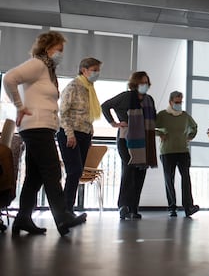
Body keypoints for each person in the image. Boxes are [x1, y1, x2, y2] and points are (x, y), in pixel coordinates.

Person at [3, 31, 87, 236]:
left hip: (42, 127)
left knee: (35, 177)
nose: (61, 54)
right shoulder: (38, 64)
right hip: (36, 126)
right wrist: (19, 106)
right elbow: (9, 78)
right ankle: (62, 216)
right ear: (47, 48)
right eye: (59, 49)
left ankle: (23, 219)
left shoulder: (47, 71)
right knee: (52, 171)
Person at [101, 71, 157, 220]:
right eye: (142, 82)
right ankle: (123, 206)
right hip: (125, 140)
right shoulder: (126, 97)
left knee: (140, 173)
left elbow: (153, 120)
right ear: (135, 84)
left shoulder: (149, 100)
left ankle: (134, 208)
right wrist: (114, 123)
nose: (145, 85)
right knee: (129, 170)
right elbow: (105, 106)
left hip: (144, 142)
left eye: (146, 82)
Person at [57, 57, 102, 215]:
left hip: (84, 134)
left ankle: (68, 208)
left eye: (98, 70)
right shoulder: (73, 86)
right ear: (84, 70)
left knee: (77, 171)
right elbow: (63, 112)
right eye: (94, 70)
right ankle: (65, 209)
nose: (97, 73)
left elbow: (87, 115)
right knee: (74, 171)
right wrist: (70, 134)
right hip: (70, 133)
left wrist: (90, 134)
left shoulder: (89, 88)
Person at [155, 91, 199, 217]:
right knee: (169, 179)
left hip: (183, 151)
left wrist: (190, 136)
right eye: (176, 102)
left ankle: (188, 207)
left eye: (181, 102)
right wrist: (160, 134)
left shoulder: (185, 116)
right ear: (170, 102)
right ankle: (172, 207)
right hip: (167, 151)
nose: (179, 104)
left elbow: (194, 127)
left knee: (186, 178)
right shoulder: (163, 115)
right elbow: (151, 126)